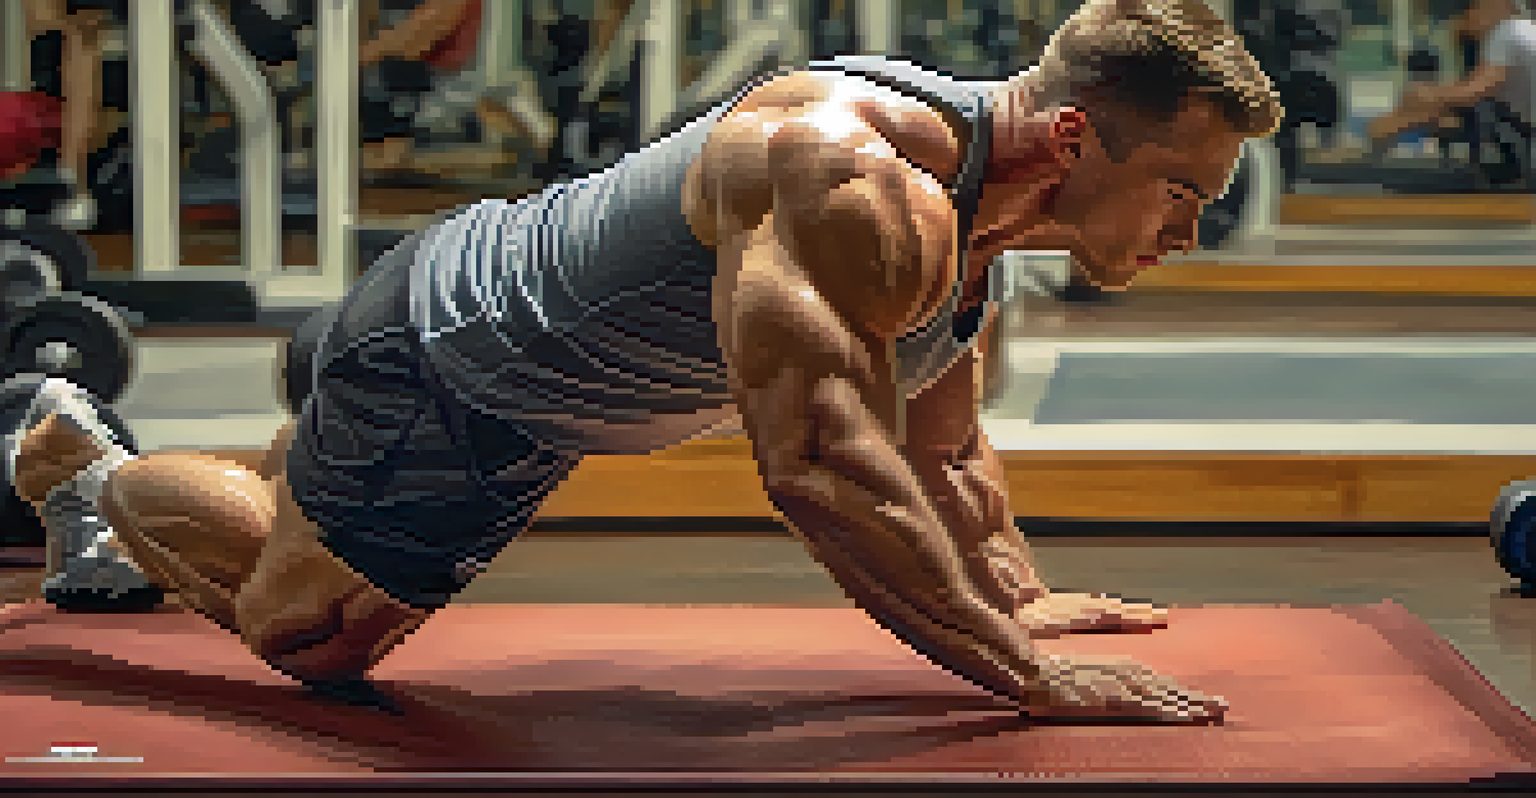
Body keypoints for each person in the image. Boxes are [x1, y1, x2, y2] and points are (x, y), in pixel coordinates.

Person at [5, 0, 1281, 723]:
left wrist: (1012, 596)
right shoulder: (858, 180)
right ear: (1072, 137)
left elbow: (940, 446)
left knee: (303, 530)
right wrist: (1022, 674)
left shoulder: (983, 216)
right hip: (461, 365)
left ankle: (211, 496)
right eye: (1182, 191)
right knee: (312, 636)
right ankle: (86, 463)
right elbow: (826, 466)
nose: (1190, 228)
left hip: (524, 373)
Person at [1369, 0, 1533, 151]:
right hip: (1515, 124)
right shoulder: (1521, 30)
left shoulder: (1507, 32)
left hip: (1519, 129)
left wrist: (1430, 95)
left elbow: (1476, 90)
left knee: (1424, 108)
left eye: (1474, 8)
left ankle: (1369, 143)